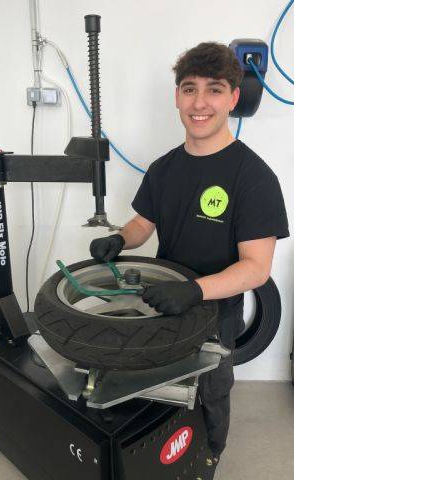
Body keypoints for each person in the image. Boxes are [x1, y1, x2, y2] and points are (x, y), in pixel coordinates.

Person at [89, 42, 289, 471]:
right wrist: (120, 239)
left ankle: (209, 457)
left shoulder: (254, 177)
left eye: (214, 89)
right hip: (162, 305)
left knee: (210, 394)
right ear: (177, 97)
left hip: (214, 317)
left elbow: (256, 268)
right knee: (156, 389)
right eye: (189, 89)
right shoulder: (164, 168)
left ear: (233, 98)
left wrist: (194, 291)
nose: (200, 103)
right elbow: (143, 223)